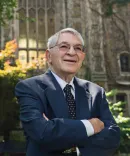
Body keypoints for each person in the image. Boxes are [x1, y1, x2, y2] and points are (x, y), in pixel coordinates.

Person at [15, 28, 120, 156]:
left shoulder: (95, 92)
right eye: (64, 46)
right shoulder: (30, 88)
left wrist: (74, 148)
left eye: (78, 48)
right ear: (48, 56)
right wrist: (91, 126)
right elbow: (41, 132)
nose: (71, 52)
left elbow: (113, 137)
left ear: (82, 56)